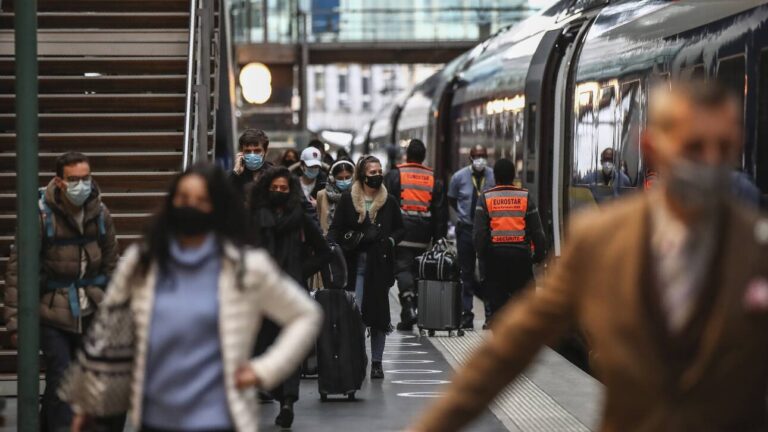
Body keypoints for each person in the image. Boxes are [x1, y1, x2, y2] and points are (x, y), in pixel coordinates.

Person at [409, 81, 768, 431]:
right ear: (652, 147)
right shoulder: (601, 241)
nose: (711, 161)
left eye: (724, 147)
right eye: (694, 147)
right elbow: (508, 350)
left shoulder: (757, 246)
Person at [69, 163, 322, 432]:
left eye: (201, 200)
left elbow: (304, 314)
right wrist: (88, 402)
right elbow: (108, 331)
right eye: (184, 199)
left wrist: (263, 371)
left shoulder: (245, 266)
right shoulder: (142, 262)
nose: (191, 207)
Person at [3, 152, 120, 431]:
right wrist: (15, 321)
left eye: (86, 178)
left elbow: (112, 264)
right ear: (59, 180)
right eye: (74, 180)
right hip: (52, 310)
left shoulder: (100, 214)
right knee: (62, 376)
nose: (81, 185)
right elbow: (18, 270)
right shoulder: (41, 215)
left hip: (91, 305)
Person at [247, 167, 331, 428]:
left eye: (284, 189)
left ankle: (288, 402)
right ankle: (276, 391)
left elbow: (324, 251)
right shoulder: (254, 216)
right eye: (275, 189)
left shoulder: (300, 215)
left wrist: (300, 270)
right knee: (261, 347)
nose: (280, 193)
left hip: (292, 292)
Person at [328, 155, 405, 379]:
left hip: (379, 266)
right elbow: (336, 229)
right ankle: (358, 357)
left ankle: (377, 362)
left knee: (379, 315)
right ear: (362, 175)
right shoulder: (348, 199)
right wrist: (346, 242)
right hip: (355, 265)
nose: (377, 175)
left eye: (379, 171)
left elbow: (400, 229)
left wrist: (390, 241)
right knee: (357, 313)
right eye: (372, 172)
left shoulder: (388, 201)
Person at [384, 139, 448, 330]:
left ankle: (408, 306)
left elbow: (388, 204)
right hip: (423, 234)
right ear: (423, 156)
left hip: (402, 232)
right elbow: (440, 213)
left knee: (402, 269)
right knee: (418, 270)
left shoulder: (395, 175)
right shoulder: (433, 178)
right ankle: (412, 312)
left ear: (407, 155)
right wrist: (438, 238)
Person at [473, 158, 546, 319]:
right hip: (521, 258)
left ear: (495, 177)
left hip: (495, 259)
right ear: (513, 176)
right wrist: (538, 256)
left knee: (497, 305)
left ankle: (501, 337)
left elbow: (479, 234)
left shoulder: (486, 198)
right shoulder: (525, 197)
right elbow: (537, 232)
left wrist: (482, 257)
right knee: (525, 304)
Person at [447, 144, 495, 329]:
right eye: (477, 156)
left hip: (486, 231)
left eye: (483, 156)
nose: (480, 160)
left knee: (486, 273)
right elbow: (452, 199)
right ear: (471, 159)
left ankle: (490, 316)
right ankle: (466, 314)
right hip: (466, 229)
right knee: (466, 273)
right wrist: (461, 217)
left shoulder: (493, 176)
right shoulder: (459, 177)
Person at [229, 129, 274, 201]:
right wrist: (235, 173)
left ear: (265, 151)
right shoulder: (234, 175)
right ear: (241, 153)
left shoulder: (274, 174)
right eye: (247, 151)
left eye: (257, 151)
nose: (252, 155)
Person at [317, 159, 356, 234]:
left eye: (347, 177)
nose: (344, 181)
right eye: (340, 178)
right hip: (328, 241)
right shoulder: (321, 195)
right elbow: (319, 220)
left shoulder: (358, 194)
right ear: (333, 178)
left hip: (352, 240)